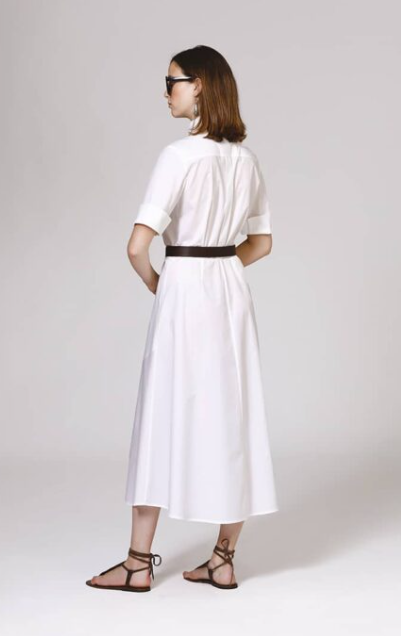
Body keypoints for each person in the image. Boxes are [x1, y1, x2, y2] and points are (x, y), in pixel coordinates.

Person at [86, 45, 278, 593]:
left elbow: (136, 246)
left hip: (184, 288)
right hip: (229, 289)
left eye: (172, 81)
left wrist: (160, 281)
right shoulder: (246, 160)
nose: (165, 91)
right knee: (235, 411)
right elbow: (261, 243)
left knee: (161, 410)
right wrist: (220, 267)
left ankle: (136, 563)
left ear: (201, 86)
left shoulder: (178, 155)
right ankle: (223, 558)